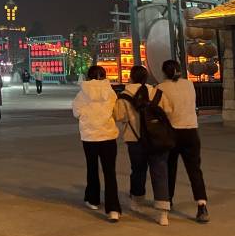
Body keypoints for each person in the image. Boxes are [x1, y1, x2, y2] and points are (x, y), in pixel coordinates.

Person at [114, 65, 171, 226]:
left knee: (138, 171)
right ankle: (163, 213)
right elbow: (168, 110)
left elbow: (118, 116)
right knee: (160, 172)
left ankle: (137, 201)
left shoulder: (124, 96)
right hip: (157, 139)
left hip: (135, 139)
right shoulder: (157, 93)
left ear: (131, 77)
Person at [157, 60, 209, 223]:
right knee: (194, 169)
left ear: (164, 72)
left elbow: (163, 110)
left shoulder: (161, 88)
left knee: (169, 167)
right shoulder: (189, 84)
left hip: (172, 132)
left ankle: (168, 200)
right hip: (191, 131)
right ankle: (202, 205)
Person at [72, 65, 121, 222]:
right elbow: (116, 112)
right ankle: (113, 209)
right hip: (108, 135)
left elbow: (76, 112)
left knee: (92, 168)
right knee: (110, 172)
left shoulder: (83, 93)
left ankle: (93, 199)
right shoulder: (110, 92)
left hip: (90, 137)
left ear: (89, 76)